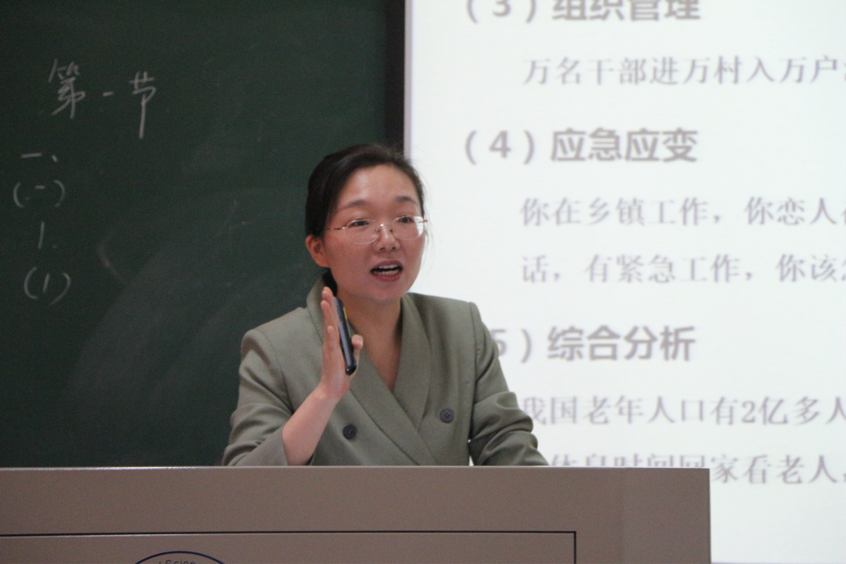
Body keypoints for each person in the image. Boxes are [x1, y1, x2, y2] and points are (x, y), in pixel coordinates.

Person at [223, 144, 546, 466]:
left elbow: (512, 454)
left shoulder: (460, 328)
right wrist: (325, 396)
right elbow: (246, 484)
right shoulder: (276, 349)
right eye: (360, 223)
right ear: (319, 249)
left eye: (405, 218)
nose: (388, 240)